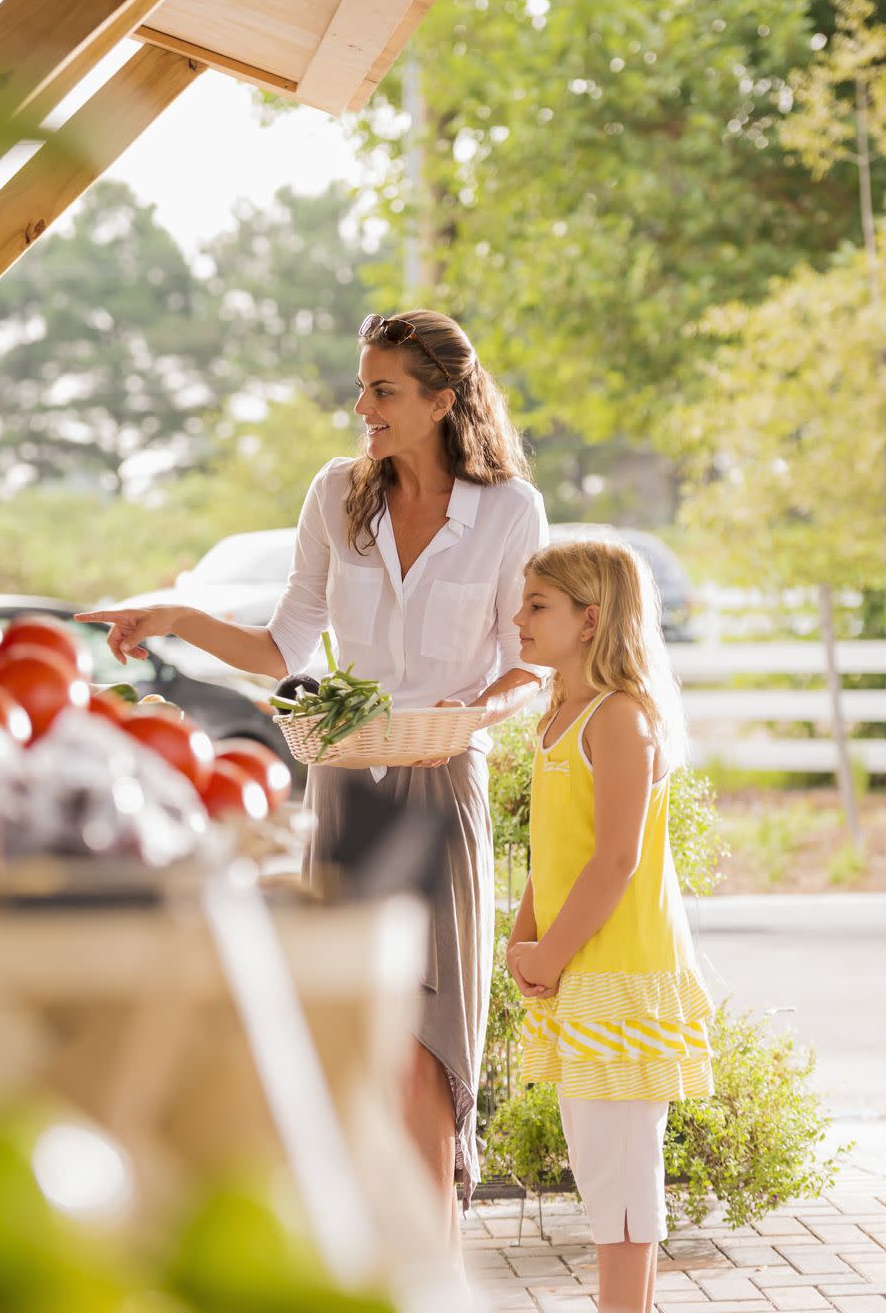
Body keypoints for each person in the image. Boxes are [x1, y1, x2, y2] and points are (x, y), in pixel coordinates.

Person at [77, 309, 548, 1246]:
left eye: (383, 390)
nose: (362, 406)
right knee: (353, 1023)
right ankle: (371, 1255)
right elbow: (282, 641)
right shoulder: (338, 496)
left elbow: (530, 659)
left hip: (445, 786)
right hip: (343, 780)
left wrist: (475, 715)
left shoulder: (508, 510)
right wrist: (174, 615)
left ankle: (435, 1267)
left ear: (441, 402)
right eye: (362, 387)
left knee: (433, 1035)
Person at [507, 539, 713, 1313]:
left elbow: (616, 861)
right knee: (604, 1174)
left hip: (620, 975)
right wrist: (524, 938)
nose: (518, 618)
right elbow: (555, 852)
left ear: (590, 620)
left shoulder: (621, 719)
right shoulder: (560, 715)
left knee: (622, 1182)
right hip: (580, 974)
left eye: (538, 605)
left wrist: (551, 955)